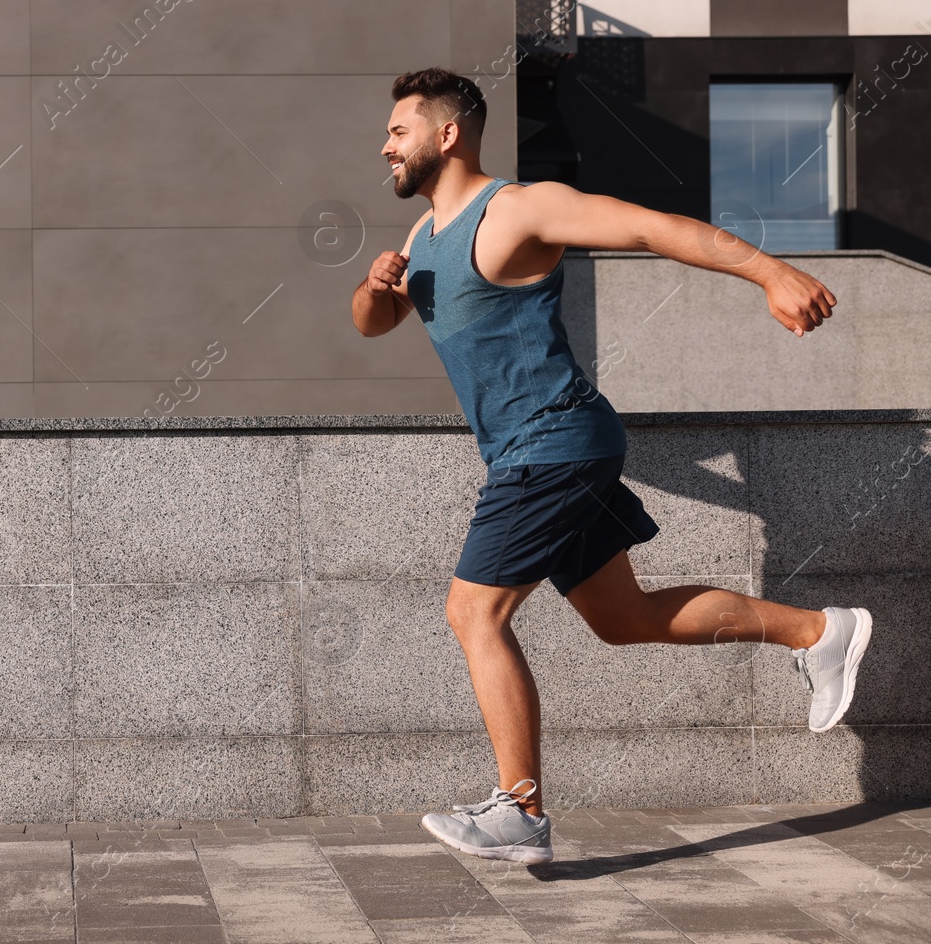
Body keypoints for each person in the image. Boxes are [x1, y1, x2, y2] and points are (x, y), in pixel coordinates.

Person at [351, 67, 873, 865]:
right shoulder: (424, 239)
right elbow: (372, 324)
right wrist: (376, 284)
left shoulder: (518, 207)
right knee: (621, 618)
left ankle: (519, 810)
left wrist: (771, 271)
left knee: (473, 612)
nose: (385, 144)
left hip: (550, 443)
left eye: (398, 131)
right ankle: (820, 631)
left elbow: (651, 226)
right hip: (541, 452)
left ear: (446, 134)